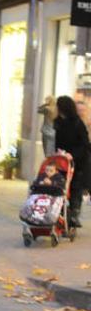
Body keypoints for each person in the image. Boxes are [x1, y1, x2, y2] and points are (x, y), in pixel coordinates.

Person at [54, 96, 90, 228]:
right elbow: (58, 142)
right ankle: (60, 213)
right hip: (62, 161)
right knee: (60, 187)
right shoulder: (58, 122)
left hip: (78, 162)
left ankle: (74, 214)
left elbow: (85, 145)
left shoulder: (77, 123)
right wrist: (58, 153)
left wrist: (72, 154)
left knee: (75, 188)